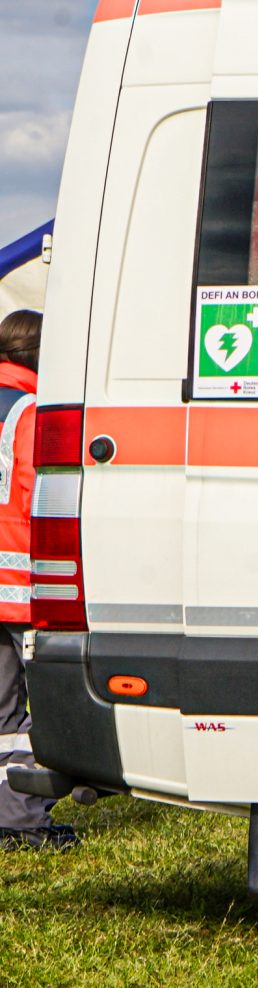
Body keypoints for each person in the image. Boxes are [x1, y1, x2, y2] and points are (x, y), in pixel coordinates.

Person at [0, 309, 70, 852]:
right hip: (21, 587)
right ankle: (24, 823)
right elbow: (38, 494)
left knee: (2, 713)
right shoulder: (30, 411)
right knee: (41, 710)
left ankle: (9, 815)